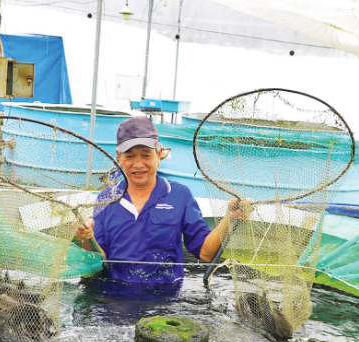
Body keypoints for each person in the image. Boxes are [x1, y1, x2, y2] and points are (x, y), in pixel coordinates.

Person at [75, 116, 249, 286]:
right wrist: (86, 237)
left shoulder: (180, 195)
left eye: (145, 155)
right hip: (112, 299)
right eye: (129, 156)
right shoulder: (106, 198)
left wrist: (229, 218)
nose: (138, 164)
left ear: (159, 155)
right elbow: (97, 259)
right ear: (119, 157)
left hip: (164, 300)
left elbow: (206, 254)